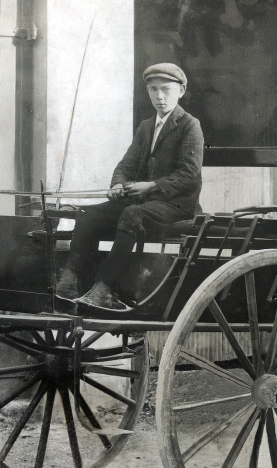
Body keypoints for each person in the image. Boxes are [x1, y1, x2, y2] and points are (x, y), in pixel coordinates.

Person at [55, 62, 204, 310]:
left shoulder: (190, 125)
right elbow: (126, 164)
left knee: (132, 213)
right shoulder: (146, 127)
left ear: (181, 90)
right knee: (88, 214)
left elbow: (189, 174)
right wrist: (118, 183)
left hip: (177, 206)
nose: (159, 96)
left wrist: (151, 186)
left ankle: (104, 289)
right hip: (147, 203)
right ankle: (68, 283)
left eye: (165, 89)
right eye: (153, 89)